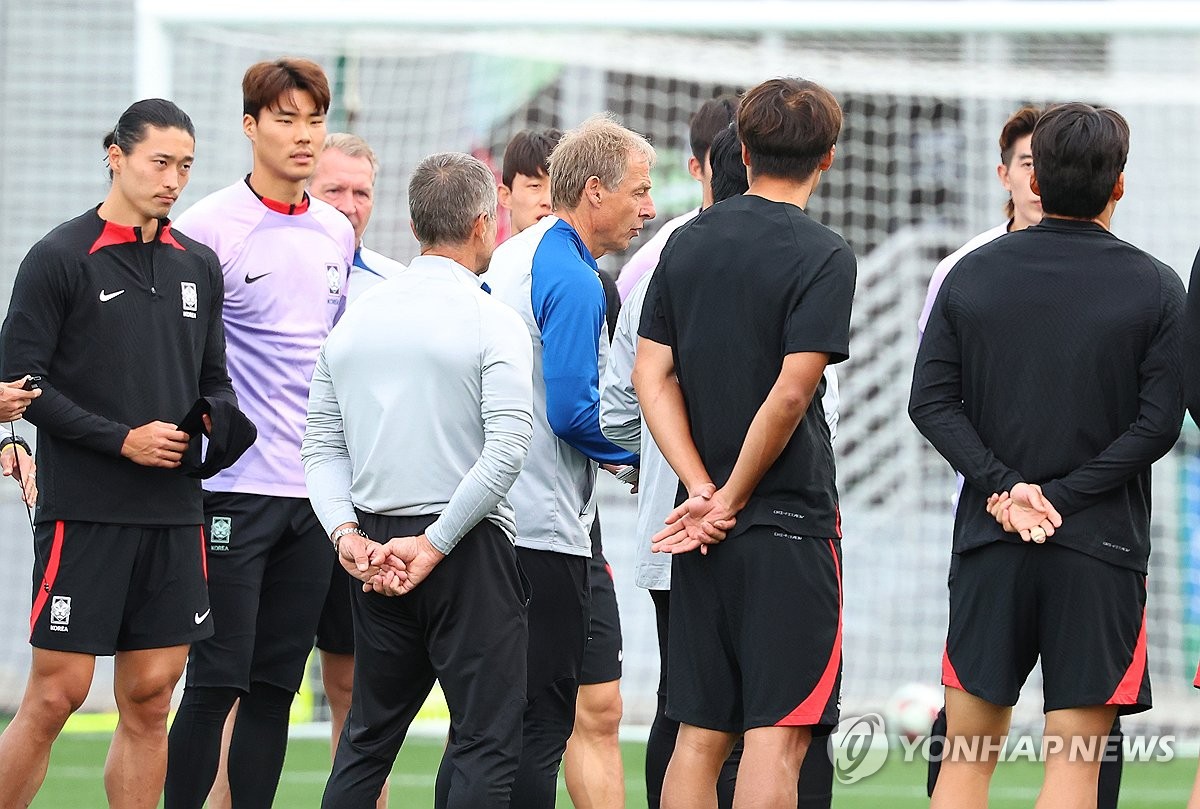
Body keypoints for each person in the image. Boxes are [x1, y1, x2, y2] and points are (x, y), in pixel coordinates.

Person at [910, 102, 1183, 809]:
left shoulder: (970, 274)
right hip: (1100, 550)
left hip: (989, 541)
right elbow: (1159, 424)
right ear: (1118, 185)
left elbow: (930, 403)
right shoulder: (1156, 285)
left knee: (965, 760)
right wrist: (1059, 496)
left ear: (1035, 178)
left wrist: (1005, 488)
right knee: (1073, 768)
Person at [0, 98, 245, 809]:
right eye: (159, 162)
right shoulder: (57, 257)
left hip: (174, 516)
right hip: (85, 512)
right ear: (118, 155)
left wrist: (216, 425)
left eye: (185, 166)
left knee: (148, 697)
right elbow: (21, 386)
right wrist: (122, 440)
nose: (173, 179)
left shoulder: (198, 264)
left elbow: (214, 380)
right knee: (57, 695)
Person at [602, 119, 837, 809]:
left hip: (693, 526)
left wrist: (701, 487)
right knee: (777, 734)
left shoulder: (682, 243)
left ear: (738, 154)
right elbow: (794, 392)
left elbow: (649, 379)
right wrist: (730, 493)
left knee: (699, 733)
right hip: (784, 521)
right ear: (826, 157)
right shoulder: (822, 251)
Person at [304, 151, 534, 809]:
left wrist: (344, 532)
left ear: (413, 224)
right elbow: (507, 449)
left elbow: (319, 447)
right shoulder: (492, 317)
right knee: (486, 742)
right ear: (484, 223)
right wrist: (435, 543)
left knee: (366, 742)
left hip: (375, 548)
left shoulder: (357, 320)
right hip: (465, 546)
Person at [164, 58, 355, 809]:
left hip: (312, 501)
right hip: (231, 493)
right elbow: (173, 358)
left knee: (276, 688)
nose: (303, 134)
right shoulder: (206, 229)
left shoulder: (337, 229)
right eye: (285, 118)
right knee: (214, 683)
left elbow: (335, 363)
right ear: (249, 126)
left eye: (313, 119)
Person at [485, 113, 654, 808]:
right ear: (593, 191)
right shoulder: (577, 278)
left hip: (493, 512)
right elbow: (572, 412)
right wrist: (644, 460)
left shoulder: (515, 253)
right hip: (541, 527)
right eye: (638, 191)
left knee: (492, 725)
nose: (648, 207)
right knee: (540, 723)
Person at [615, 97, 735, 302]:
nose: (734, 168)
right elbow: (618, 314)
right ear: (696, 168)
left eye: (740, 157)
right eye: (721, 158)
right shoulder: (664, 250)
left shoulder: (778, 239)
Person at [311, 132, 407, 304]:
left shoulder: (397, 285)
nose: (349, 207)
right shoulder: (268, 270)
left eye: (361, 194)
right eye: (334, 191)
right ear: (304, 193)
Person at [499, 129, 563, 236]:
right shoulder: (498, 253)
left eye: (558, 188)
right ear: (506, 196)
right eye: (535, 186)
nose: (549, 202)